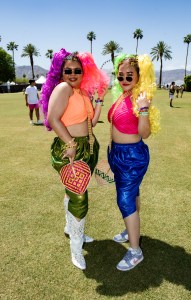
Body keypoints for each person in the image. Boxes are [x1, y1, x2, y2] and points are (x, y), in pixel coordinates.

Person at [40, 49, 109, 270]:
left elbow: (92, 122)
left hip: (86, 147)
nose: (72, 74)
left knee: (73, 192)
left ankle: (71, 229)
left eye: (77, 70)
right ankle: (76, 249)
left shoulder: (81, 92)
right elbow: (53, 118)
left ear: (83, 72)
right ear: (60, 73)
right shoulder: (63, 88)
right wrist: (70, 144)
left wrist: (99, 101)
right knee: (79, 198)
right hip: (70, 148)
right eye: (67, 70)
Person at [107, 53, 160, 271]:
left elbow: (144, 133)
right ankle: (131, 232)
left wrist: (145, 109)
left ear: (139, 76)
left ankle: (136, 251)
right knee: (133, 194)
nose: (124, 79)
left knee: (125, 200)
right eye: (120, 76)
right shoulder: (122, 94)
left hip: (132, 157)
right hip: (118, 154)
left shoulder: (140, 97)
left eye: (130, 75)